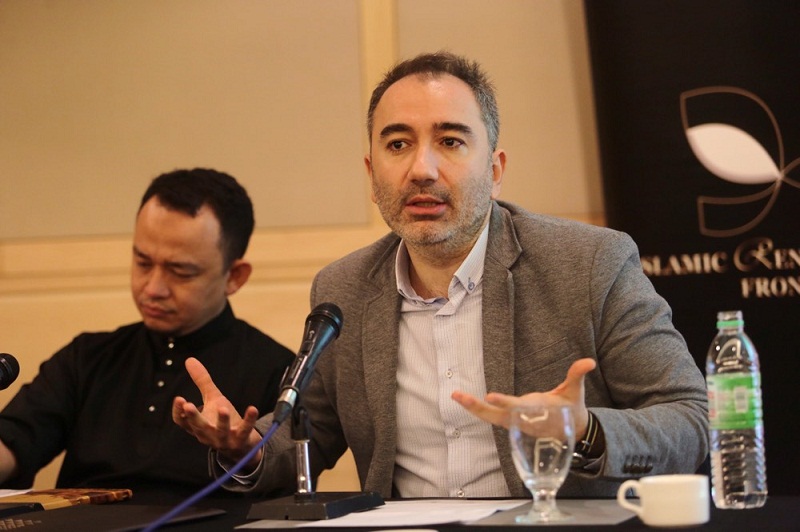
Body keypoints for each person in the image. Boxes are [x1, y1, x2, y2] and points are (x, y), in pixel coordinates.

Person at [173, 52, 708, 499]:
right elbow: (306, 438)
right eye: (398, 144)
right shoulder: (343, 290)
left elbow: (691, 421)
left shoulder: (591, 263)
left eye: (450, 141)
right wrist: (245, 450)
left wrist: (586, 430)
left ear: (494, 170)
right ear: (372, 172)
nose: (421, 169)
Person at [0, 168, 295, 495]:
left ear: (234, 276)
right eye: (142, 262)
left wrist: (242, 452)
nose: (152, 288)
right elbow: (15, 441)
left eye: (180, 271)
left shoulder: (277, 370)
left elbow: (288, 477)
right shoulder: (88, 357)